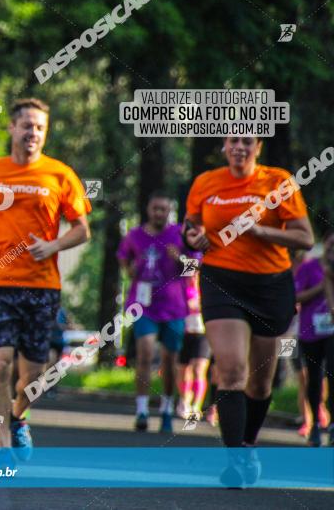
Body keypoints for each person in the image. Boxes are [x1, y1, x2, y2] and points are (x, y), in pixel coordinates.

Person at [0, 98, 91, 464]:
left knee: (35, 373)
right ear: (12, 128)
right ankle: (1, 447)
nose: (33, 133)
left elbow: (82, 229)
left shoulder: (60, 174)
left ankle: (19, 416)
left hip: (43, 285)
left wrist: (55, 245)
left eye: (40, 128)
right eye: (27, 125)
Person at [184, 136, 313, 486]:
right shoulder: (206, 182)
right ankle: (235, 461)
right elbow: (190, 226)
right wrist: (193, 238)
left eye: (247, 141)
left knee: (259, 382)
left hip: (270, 285)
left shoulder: (278, 181)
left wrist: (259, 230)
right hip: (221, 281)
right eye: (232, 141)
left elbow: (305, 238)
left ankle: (249, 443)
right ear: (224, 146)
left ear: (258, 146)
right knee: (231, 370)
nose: (239, 147)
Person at [117, 191, 193, 433]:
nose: (159, 213)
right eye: (155, 209)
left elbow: (195, 265)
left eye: (164, 209)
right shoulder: (135, 235)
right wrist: (130, 269)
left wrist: (179, 258)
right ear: (148, 210)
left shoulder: (179, 234)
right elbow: (123, 259)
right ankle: (141, 410)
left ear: (169, 211)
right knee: (145, 354)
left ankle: (166, 409)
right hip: (143, 306)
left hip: (174, 306)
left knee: (170, 360)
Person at [294, 230, 334, 446]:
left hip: (331, 331)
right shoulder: (308, 268)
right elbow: (295, 296)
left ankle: (326, 421)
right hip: (305, 332)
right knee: (309, 377)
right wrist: (320, 287)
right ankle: (312, 423)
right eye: (329, 244)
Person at [176, 274, 211, 422]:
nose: (193, 278)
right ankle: (184, 401)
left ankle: (197, 405)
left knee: (199, 369)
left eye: (196, 275)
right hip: (185, 333)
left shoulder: (207, 291)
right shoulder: (182, 290)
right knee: (185, 370)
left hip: (203, 334)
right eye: (191, 276)